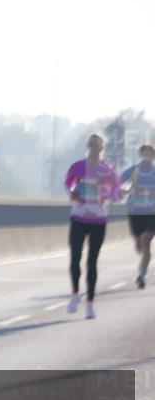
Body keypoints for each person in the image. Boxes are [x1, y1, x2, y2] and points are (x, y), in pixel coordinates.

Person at [64, 133, 123, 318]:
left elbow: (117, 192)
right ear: (88, 146)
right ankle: (75, 294)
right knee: (75, 258)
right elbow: (68, 183)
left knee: (92, 262)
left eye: (98, 144)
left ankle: (90, 304)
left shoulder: (107, 170)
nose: (94, 147)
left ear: (102, 148)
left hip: (98, 220)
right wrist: (72, 191)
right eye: (91, 144)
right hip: (78, 217)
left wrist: (108, 193)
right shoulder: (77, 166)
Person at [119, 143, 155, 290]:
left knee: (146, 242)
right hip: (135, 213)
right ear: (140, 155)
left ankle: (142, 275)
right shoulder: (133, 170)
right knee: (140, 247)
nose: (147, 156)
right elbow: (118, 183)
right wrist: (125, 190)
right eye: (145, 153)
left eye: (150, 154)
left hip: (151, 214)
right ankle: (138, 242)